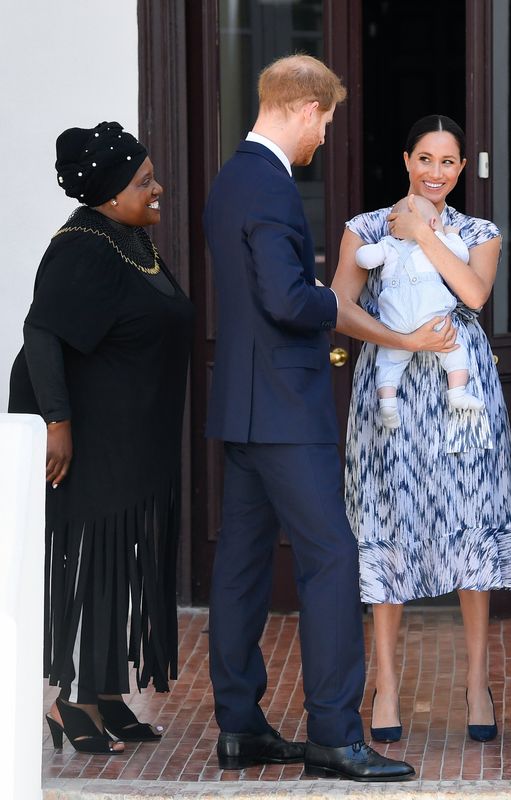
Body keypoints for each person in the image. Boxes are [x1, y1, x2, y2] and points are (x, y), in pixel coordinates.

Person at [202, 55, 414, 782]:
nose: (325, 136)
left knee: (239, 567)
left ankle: (240, 728)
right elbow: (288, 300)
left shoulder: (232, 179)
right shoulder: (267, 186)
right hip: (288, 410)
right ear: (301, 108)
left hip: (241, 406)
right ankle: (334, 734)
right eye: (324, 120)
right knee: (330, 561)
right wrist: (343, 304)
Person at [332, 114, 511, 744]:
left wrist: (422, 231)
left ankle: (477, 683)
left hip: (461, 393)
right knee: (389, 522)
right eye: (426, 159)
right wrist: (402, 337)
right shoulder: (364, 229)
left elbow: (474, 294)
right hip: (390, 386)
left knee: (471, 519)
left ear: (462, 167)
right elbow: (337, 308)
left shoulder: (480, 231)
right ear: (406, 159)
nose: (437, 173)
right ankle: (386, 684)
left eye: (448, 162)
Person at [8, 121, 194, 754]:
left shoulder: (128, 238)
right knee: (96, 566)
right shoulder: (83, 245)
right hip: (98, 445)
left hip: (138, 440)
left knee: (124, 566)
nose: (157, 186)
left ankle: (106, 690)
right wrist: (56, 425)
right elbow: (42, 334)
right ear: (111, 191)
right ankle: (71, 701)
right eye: (144, 180)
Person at [355, 194, 484, 430]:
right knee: (454, 350)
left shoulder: (387, 244)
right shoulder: (438, 240)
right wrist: (451, 234)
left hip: (396, 318)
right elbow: (462, 255)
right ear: (434, 223)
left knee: (389, 361)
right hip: (431, 314)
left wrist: (367, 249)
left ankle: (387, 403)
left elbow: (364, 259)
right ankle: (457, 392)